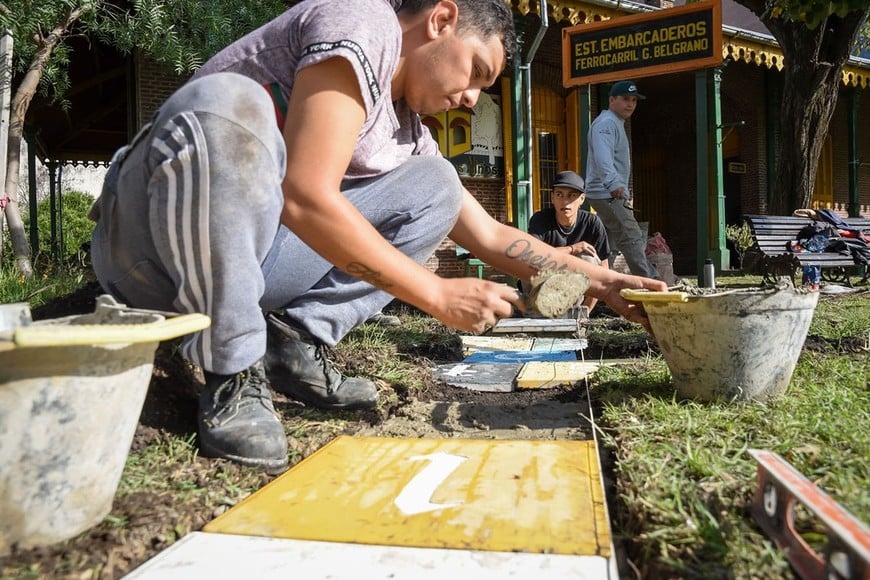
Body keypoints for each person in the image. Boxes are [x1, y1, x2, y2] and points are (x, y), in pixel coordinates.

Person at [89, 0, 666, 473]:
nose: (471, 98)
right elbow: (305, 195)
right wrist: (436, 294)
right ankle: (232, 370)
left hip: (241, 269)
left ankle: (293, 342)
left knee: (438, 184)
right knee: (229, 104)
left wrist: (604, 281)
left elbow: (488, 233)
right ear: (441, 20)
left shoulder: (406, 127)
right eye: (475, 73)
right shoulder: (362, 21)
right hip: (148, 253)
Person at [585, 80, 661, 280]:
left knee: (606, 246)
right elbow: (603, 157)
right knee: (631, 236)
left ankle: (595, 286)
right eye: (625, 99)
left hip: (605, 193)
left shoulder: (612, 122)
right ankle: (652, 284)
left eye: (634, 100)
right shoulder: (606, 123)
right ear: (611, 100)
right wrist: (613, 184)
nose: (630, 104)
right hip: (607, 193)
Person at [527, 170, 610, 314]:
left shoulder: (592, 223)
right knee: (530, 260)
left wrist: (586, 313)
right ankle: (534, 313)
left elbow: (604, 271)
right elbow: (532, 256)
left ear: (582, 199)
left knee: (588, 259)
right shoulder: (540, 220)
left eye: (572, 196)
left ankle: (574, 314)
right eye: (559, 195)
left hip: (574, 294)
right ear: (552, 197)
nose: (565, 202)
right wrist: (572, 249)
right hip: (540, 288)